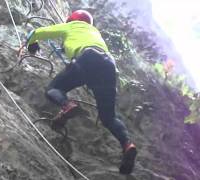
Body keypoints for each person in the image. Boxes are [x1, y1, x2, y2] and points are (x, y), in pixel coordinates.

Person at [26, 10, 137, 174]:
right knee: (109, 117)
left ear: (72, 19)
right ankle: (128, 145)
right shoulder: (94, 32)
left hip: (88, 58)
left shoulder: (72, 25)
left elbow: (36, 32)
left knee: (53, 89)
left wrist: (31, 43)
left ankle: (67, 105)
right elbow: (77, 43)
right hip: (109, 67)